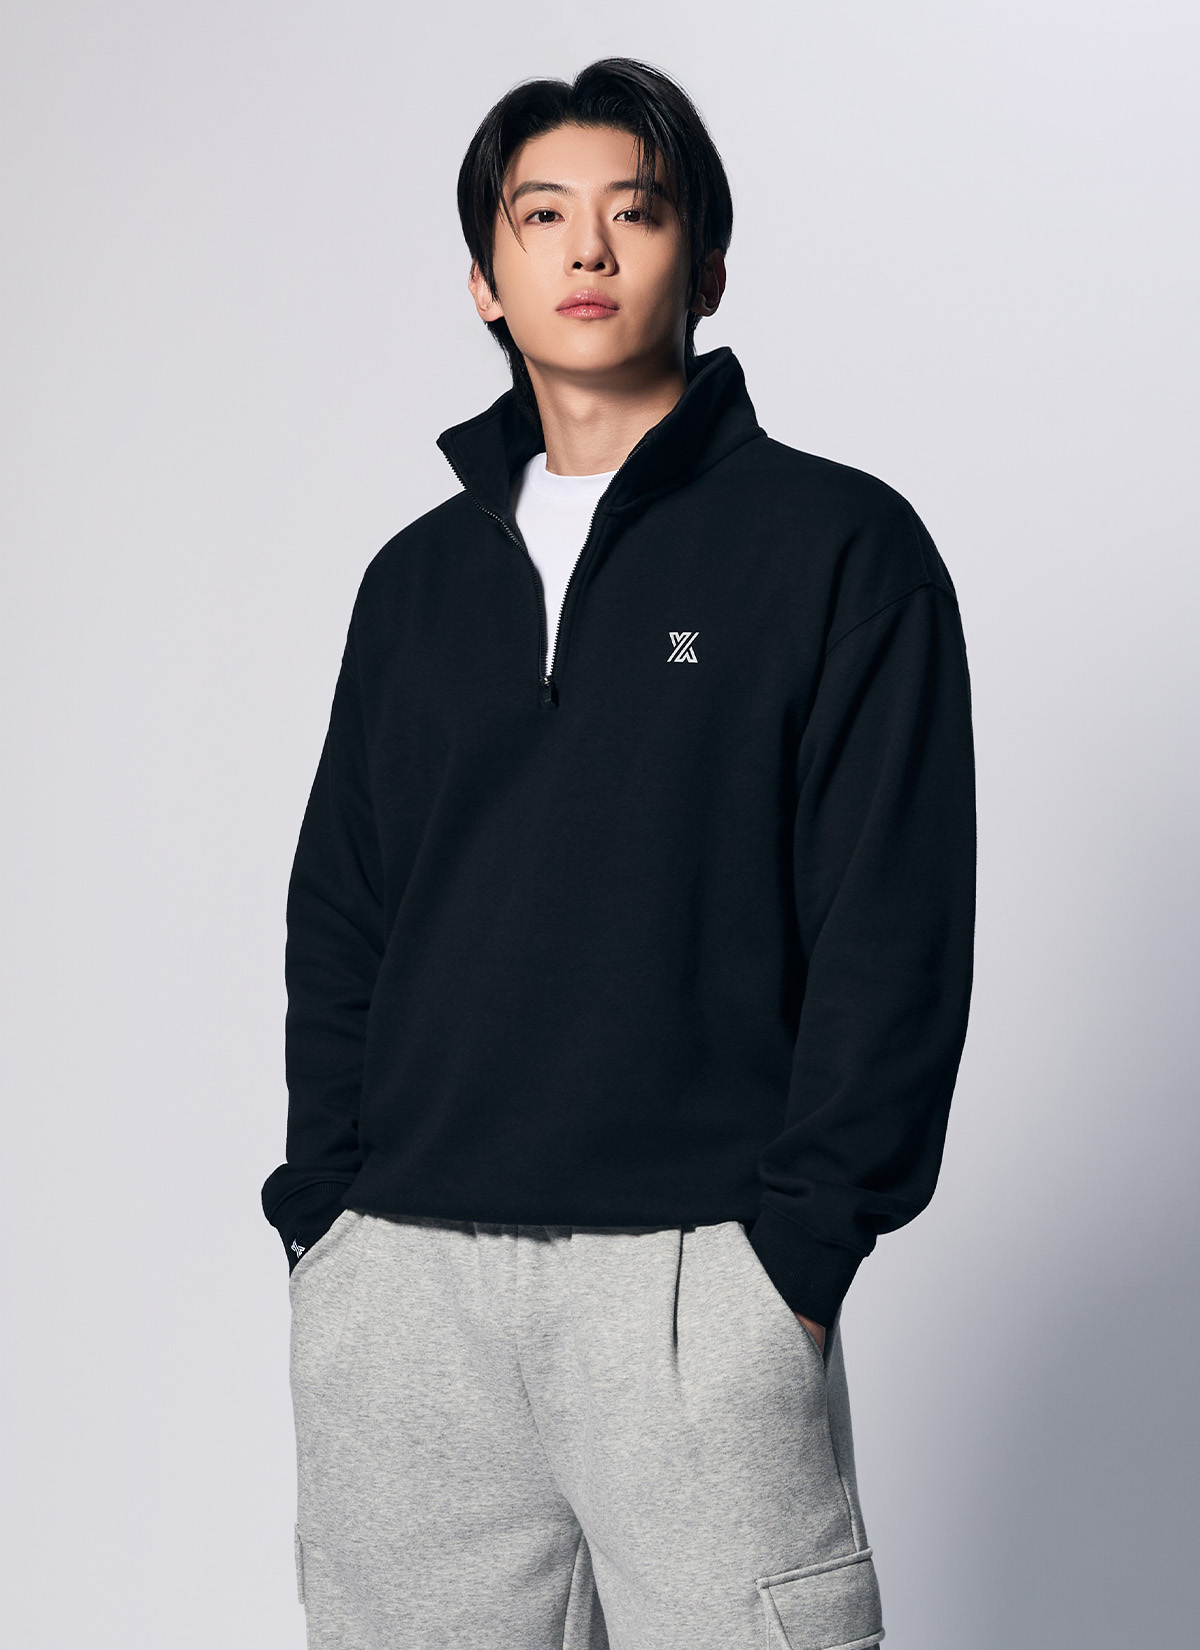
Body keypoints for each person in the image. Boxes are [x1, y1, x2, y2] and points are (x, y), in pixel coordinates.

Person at [260, 56, 976, 1650]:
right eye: (542, 217)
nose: (587, 249)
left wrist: (792, 1262)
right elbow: (345, 912)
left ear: (704, 265)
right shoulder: (417, 582)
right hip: (407, 1297)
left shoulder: (838, 549)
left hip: (696, 1283)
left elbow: (891, 926)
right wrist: (330, 1225)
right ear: (485, 278)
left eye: (635, 214)